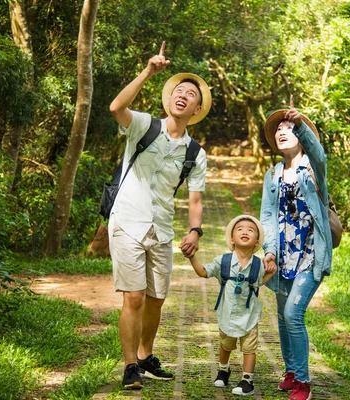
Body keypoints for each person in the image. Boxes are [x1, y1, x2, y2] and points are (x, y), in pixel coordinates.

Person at [108, 41, 212, 390]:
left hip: (162, 229)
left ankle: (144, 357)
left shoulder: (196, 152)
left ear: (197, 108)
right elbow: (116, 106)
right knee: (134, 296)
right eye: (178, 91)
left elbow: (195, 198)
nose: (182, 95)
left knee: (156, 299)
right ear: (169, 99)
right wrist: (148, 71)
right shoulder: (142, 125)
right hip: (127, 221)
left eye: (190, 94)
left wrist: (195, 231)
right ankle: (128, 368)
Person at [260, 97, 333, 400]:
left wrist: (301, 124)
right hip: (283, 257)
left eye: (288, 127)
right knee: (281, 316)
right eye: (279, 128)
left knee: (293, 314)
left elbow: (319, 152)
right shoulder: (273, 173)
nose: (282, 130)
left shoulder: (312, 167)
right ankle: (290, 372)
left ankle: (303, 382)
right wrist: (269, 251)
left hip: (310, 255)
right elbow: (267, 214)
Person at [185, 215, 276, 396]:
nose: (245, 231)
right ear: (232, 239)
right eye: (240, 229)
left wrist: (271, 272)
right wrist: (191, 257)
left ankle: (247, 380)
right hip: (227, 314)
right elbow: (204, 272)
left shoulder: (258, 264)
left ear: (256, 241)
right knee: (226, 345)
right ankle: (223, 369)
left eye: (250, 230)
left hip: (249, 315)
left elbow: (259, 283)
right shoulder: (223, 261)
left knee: (249, 348)